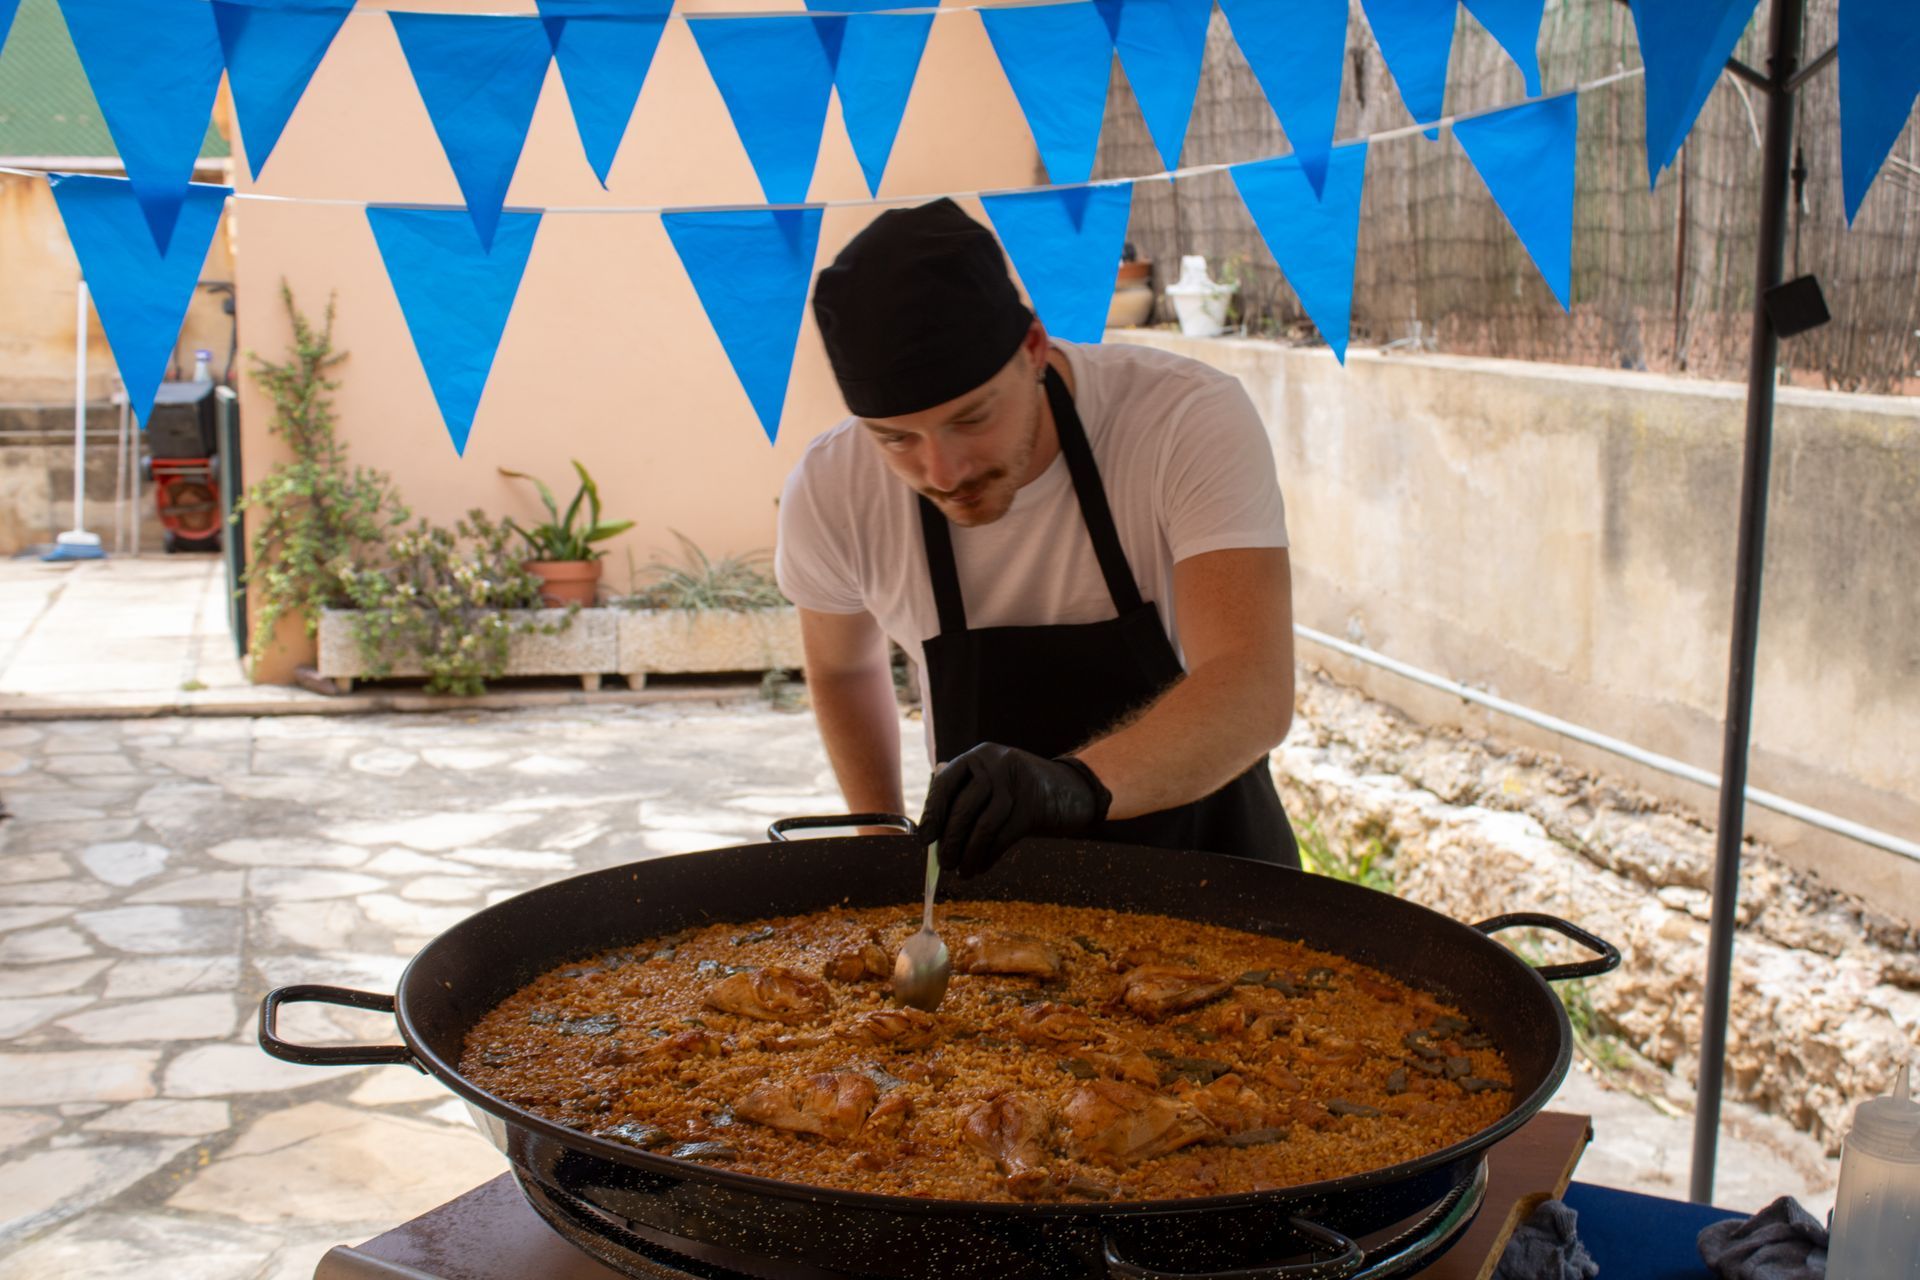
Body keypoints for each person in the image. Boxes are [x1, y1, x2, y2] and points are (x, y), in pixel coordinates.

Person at [775, 197, 1299, 878]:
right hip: (992, 894)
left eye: (972, 418)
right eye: (897, 438)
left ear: (1034, 350)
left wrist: (1071, 784)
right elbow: (843, 669)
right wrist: (880, 849)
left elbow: (1250, 685)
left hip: (1214, 871)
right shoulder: (832, 487)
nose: (944, 471)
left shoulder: (1183, 421)